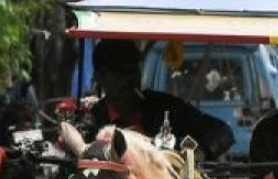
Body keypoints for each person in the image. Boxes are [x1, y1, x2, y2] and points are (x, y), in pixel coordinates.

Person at [88, 39, 235, 159]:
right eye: (119, 72)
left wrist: (200, 152)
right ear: (99, 77)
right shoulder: (92, 123)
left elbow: (222, 132)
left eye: (132, 69)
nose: (129, 78)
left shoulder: (164, 108)